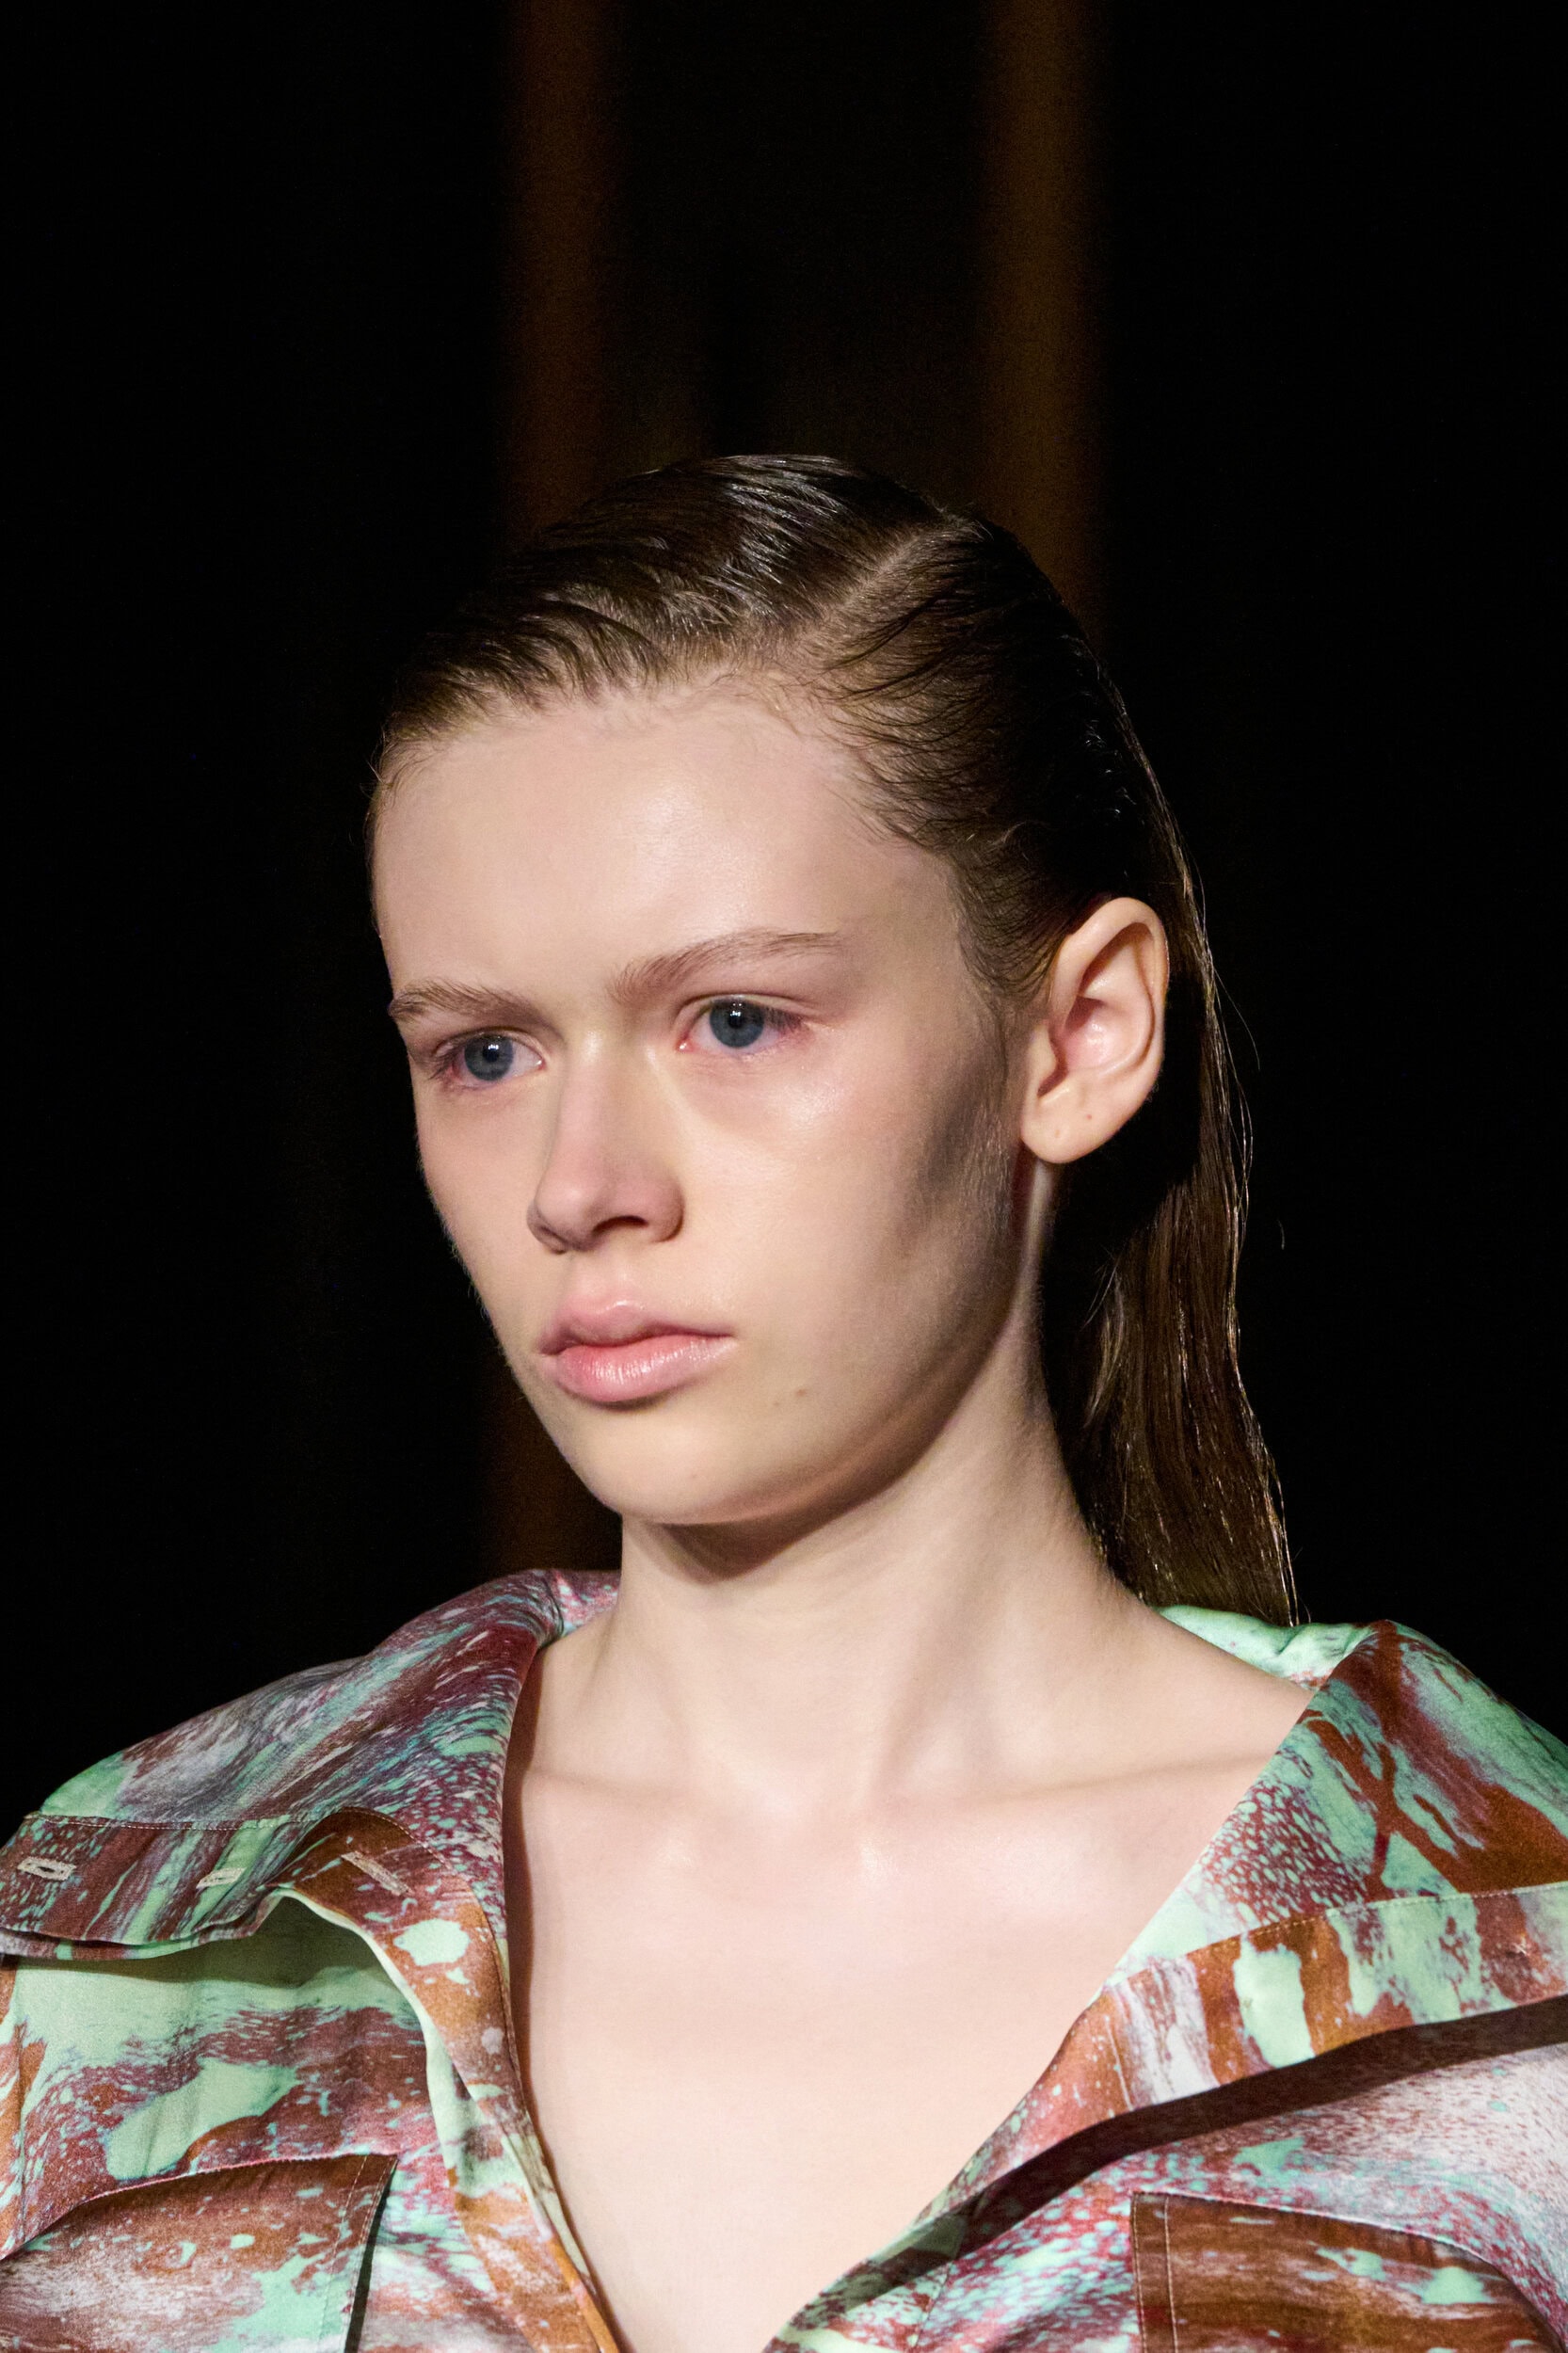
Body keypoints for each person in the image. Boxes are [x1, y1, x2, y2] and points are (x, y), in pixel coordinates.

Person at [1, 457, 1563, 2353]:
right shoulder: (114, 1934)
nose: (579, 1183)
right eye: (483, 1052)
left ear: (1078, 1034)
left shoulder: (1507, 1984)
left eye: (735, 1020)